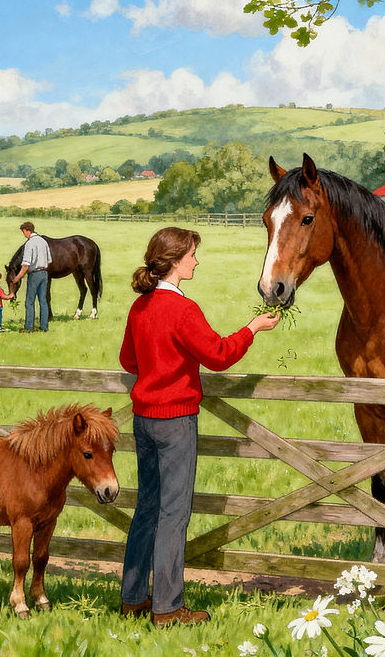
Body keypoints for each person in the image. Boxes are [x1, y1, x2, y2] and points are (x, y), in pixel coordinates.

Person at [118, 227, 279, 628]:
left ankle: (133, 599)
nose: (196, 261)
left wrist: (157, 366)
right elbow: (219, 355)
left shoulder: (140, 306)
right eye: (191, 255)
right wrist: (252, 328)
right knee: (174, 514)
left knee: (147, 509)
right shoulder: (183, 309)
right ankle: (168, 608)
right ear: (174, 261)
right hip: (174, 421)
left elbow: (128, 361)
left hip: (143, 419)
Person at [9, 221, 52, 333]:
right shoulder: (43, 242)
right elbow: (49, 260)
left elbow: (25, 265)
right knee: (43, 301)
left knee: (29, 301)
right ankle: (44, 327)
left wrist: (17, 278)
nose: (24, 234)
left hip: (34, 274)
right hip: (44, 273)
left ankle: (29, 327)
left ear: (28, 231)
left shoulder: (29, 244)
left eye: (24, 232)